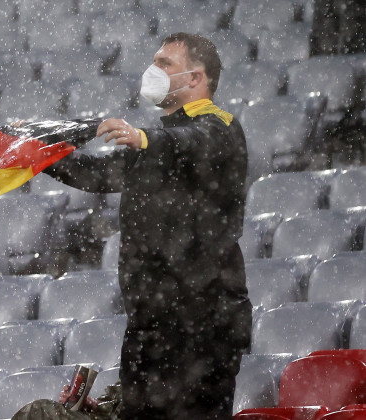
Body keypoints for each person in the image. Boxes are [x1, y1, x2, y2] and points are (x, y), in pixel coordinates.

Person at [24, 33, 252, 419]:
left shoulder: (220, 128)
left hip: (203, 324)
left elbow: (196, 140)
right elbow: (95, 174)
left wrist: (145, 138)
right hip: (150, 324)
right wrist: (36, 149)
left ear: (195, 78)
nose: (153, 69)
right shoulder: (155, 143)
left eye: (165, 63)